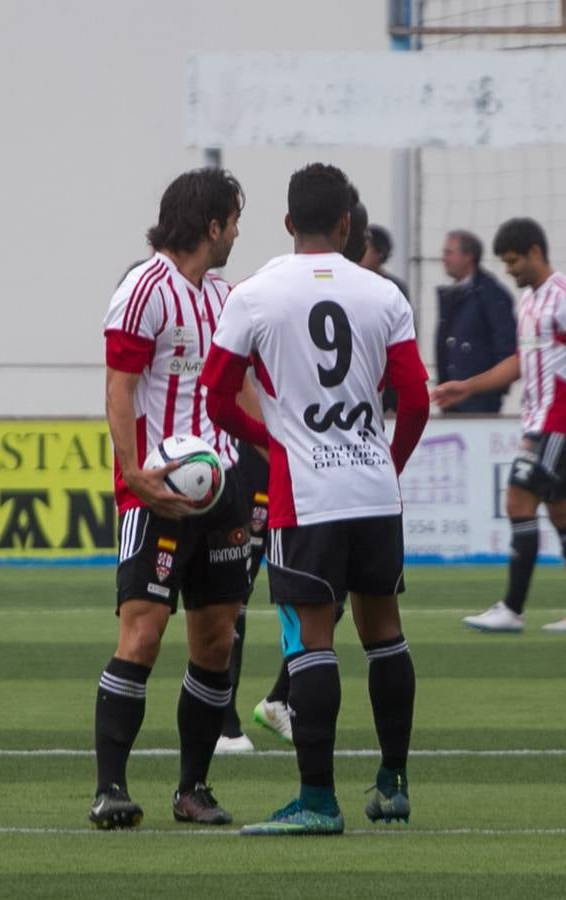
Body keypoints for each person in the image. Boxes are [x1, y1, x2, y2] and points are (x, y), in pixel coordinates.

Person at [202, 162, 430, 835]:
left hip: (307, 495)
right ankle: (391, 783)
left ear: (285, 223)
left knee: (310, 640)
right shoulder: (382, 293)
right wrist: (387, 465)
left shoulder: (253, 293)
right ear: (346, 224)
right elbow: (413, 398)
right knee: (383, 632)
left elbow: (216, 394)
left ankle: (317, 800)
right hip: (371, 488)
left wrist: (273, 442)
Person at [87, 167, 251, 831]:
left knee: (215, 640)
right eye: (234, 220)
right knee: (143, 632)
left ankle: (192, 788)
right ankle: (110, 789)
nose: (239, 231)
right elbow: (119, 387)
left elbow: (239, 389)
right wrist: (133, 473)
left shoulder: (226, 296)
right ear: (211, 226)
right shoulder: (143, 289)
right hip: (156, 492)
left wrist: (266, 455)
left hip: (223, 489)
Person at [440, 219, 566, 634]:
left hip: (558, 422)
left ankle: (512, 609)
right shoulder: (530, 303)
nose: (509, 270)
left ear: (535, 252)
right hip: (540, 419)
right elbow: (520, 362)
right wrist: (469, 386)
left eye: (513, 261)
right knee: (564, 512)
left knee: (518, 498)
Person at [236, 196, 373, 751]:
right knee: (241, 589)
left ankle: (278, 698)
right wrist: (271, 440)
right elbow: (234, 370)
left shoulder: (346, 293)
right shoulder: (273, 288)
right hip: (268, 457)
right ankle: (227, 721)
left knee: (324, 591)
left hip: (312, 464)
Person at [435, 230, 517, 413]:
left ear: (468, 257)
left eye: (449, 253)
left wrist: (493, 391)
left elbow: (507, 349)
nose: (443, 259)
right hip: (451, 400)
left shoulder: (492, 295)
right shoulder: (452, 297)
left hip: (481, 404)